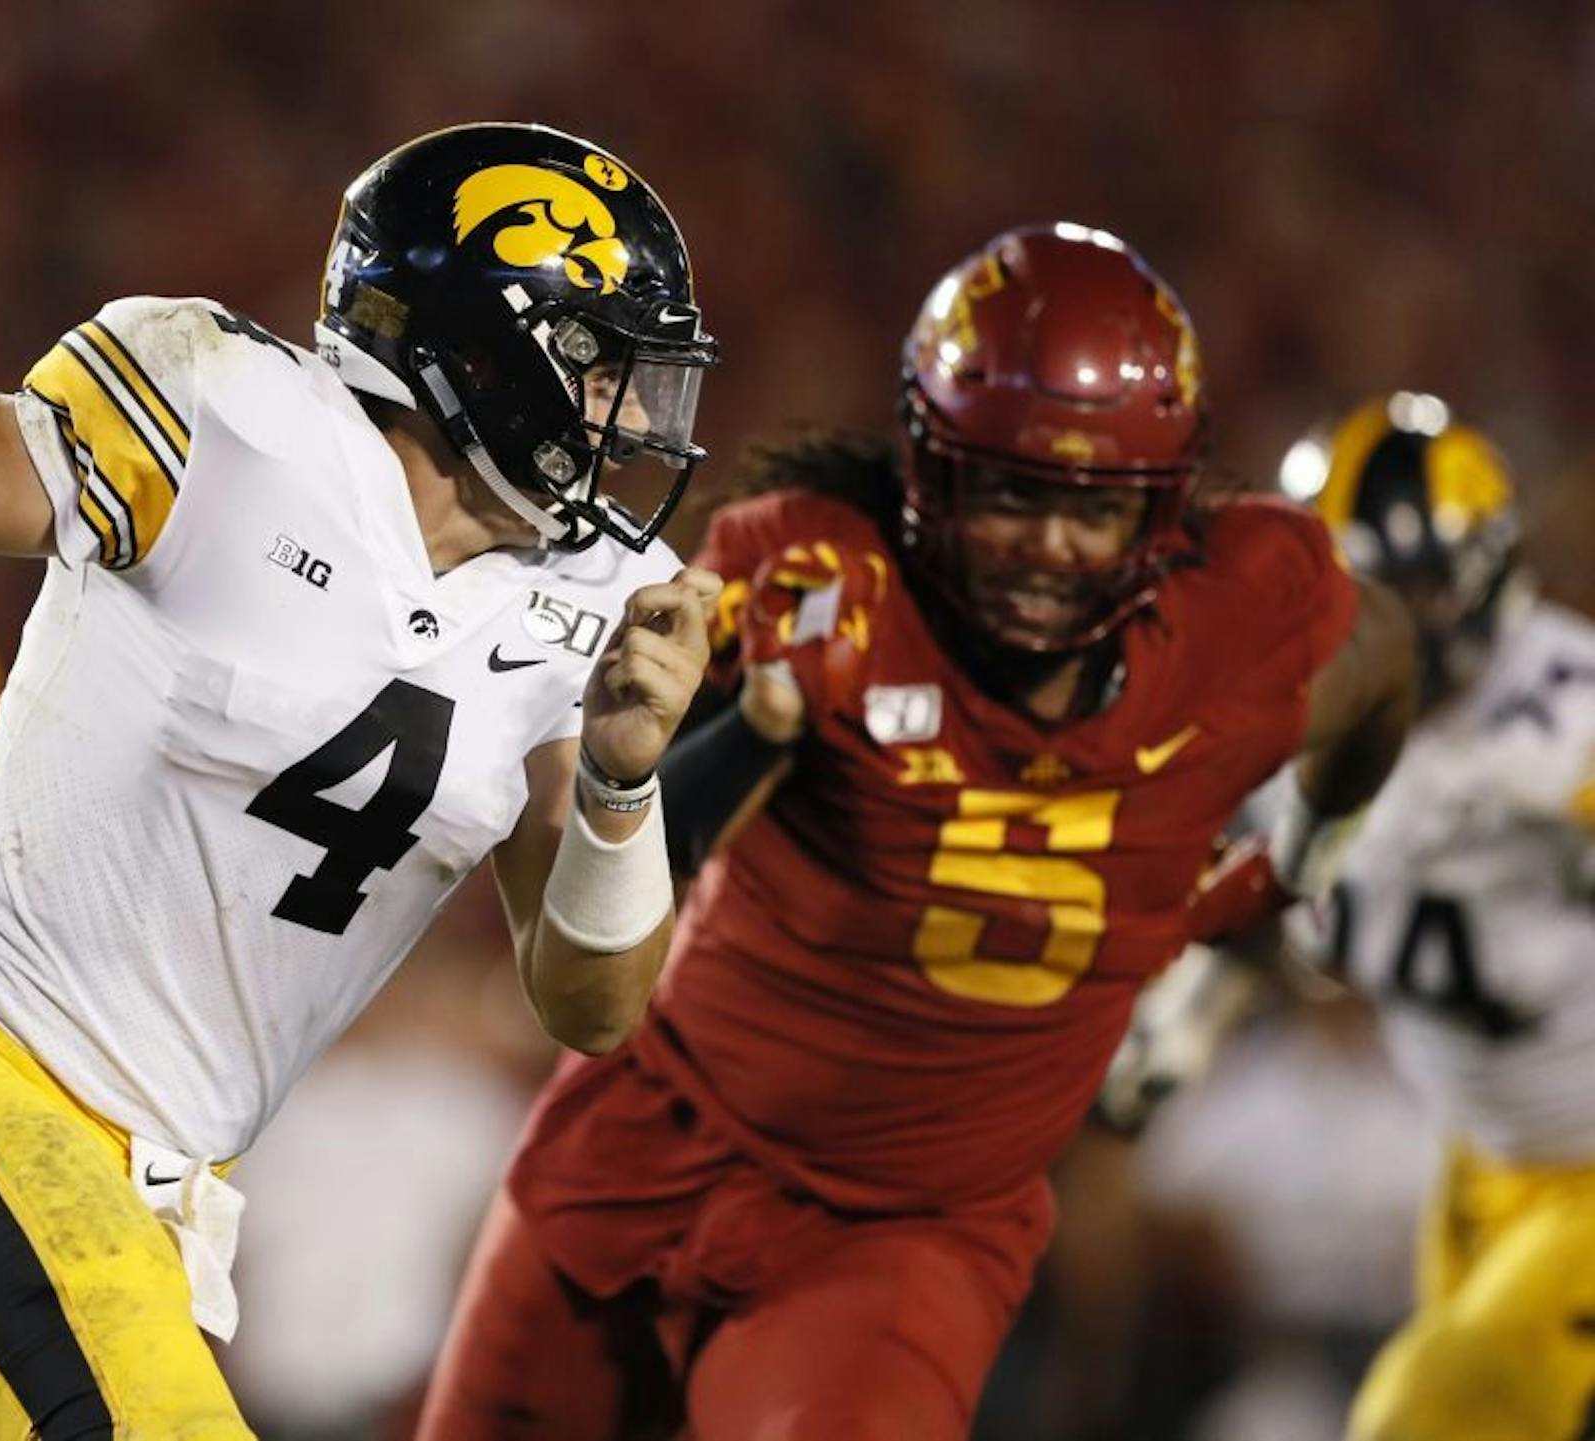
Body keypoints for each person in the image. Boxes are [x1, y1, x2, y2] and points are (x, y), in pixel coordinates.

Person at [0, 122, 721, 1439]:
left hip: (156, 1194)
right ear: (472, 349)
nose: (633, 415)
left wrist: (614, 785)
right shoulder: (223, 423)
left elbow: (592, 1003)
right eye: (599, 366)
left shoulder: (595, 598)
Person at [417, 223, 1419, 1441]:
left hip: (897, 1235)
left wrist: (1291, 874)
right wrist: (760, 734)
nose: (1050, 545)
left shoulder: (1242, 619)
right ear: (934, 472)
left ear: (1163, 507)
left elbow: (1383, 669)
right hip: (644, 1138)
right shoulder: (819, 576)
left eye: (1092, 507)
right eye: (1010, 493)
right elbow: (624, 848)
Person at [1265, 396, 1595, 1441]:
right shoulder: (1292, 724)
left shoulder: (1563, 721)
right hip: (1475, 1169)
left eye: (1417, 588)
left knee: (1431, 1416)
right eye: (1363, 592)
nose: (1393, 627)